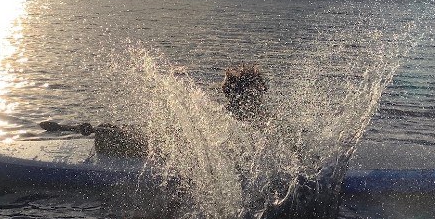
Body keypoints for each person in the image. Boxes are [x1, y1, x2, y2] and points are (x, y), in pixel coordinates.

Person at [41, 63, 269, 156]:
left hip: (172, 152)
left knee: (105, 133)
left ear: (230, 92)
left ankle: (79, 129)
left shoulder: (224, 117)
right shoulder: (267, 121)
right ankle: (84, 129)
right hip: (179, 147)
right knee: (112, 130)